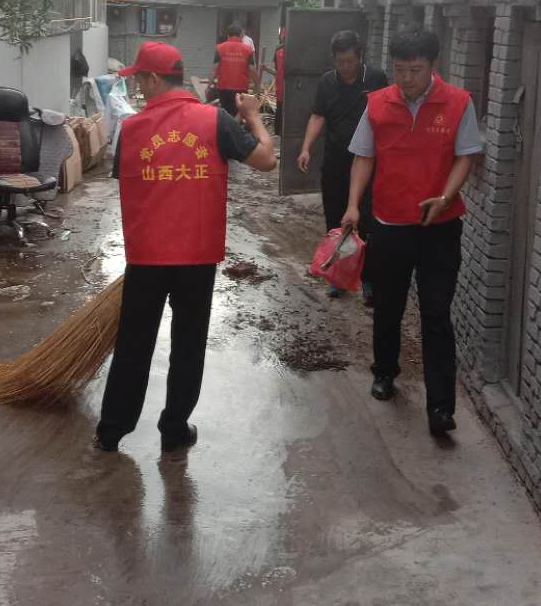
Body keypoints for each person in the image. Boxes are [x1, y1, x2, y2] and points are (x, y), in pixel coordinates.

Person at [96, 41, 277, 455]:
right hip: (197, 255)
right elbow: (267, 160)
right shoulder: (215, 121)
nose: (138, 88)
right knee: (188, 343)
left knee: (134, 344)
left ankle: (112, 430)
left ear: (154, 79)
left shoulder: (132, 130)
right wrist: (252, 117)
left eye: (140, 80)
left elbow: (128, 181)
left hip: (147, 256)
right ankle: (174, 428)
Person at [342, 29, 482, 436]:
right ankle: (384, 371)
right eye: (400, 69)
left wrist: (446, 196)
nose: (406, 79)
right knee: (388, 305)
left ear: (433, 65)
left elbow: (465, 157)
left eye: (415, 70)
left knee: (436, 312)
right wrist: (353, 204)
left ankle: (440, 407)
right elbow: (363, 157)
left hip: (440, 228)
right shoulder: (377, 103)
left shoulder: (459, 102)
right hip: (390, 225)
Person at [296, 30, 388, 302]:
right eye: (340, 61)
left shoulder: (376, 79)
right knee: (336, 219)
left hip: (369, 163)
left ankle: (368, 279)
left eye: (350, 60)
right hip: (336, 162)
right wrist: (306, 148)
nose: (345, 66)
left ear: (360, 56)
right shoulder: (327, 82)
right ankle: (338, 276)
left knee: (367, 220)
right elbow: (318, 116)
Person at [211, 24, 257, 116]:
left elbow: (215, 69)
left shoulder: (219, 48)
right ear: (240, 35)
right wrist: (257, 85)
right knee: (238, 114)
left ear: (228, 35)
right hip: (241, 88)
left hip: (223, 88)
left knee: (225, 114)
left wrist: (209, 84)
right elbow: (252, 69)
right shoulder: (248, 49)